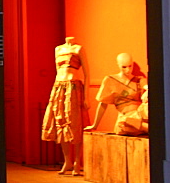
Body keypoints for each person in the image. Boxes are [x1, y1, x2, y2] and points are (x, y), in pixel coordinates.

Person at [41, 36, 89, 175]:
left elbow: (87, 73)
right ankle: (67, 160)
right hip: (59, 87)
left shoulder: (78, 49)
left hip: (73, 87)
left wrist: (86, 97)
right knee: (60, 123)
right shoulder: (58, 49)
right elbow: (57, 70)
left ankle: (77, 162)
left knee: (75, 124)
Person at [85, 53, 148, 136]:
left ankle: (145, 127)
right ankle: (148, 128)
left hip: (139, 114)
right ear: (118, 65)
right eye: (124, 67)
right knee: (124, 122)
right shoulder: (110, 80)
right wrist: (95, 125)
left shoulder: (139, 80)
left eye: (130, 66)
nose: (128, 70)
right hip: (126, 119)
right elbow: (103, 104)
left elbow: (147, 87)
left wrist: (147, 92)